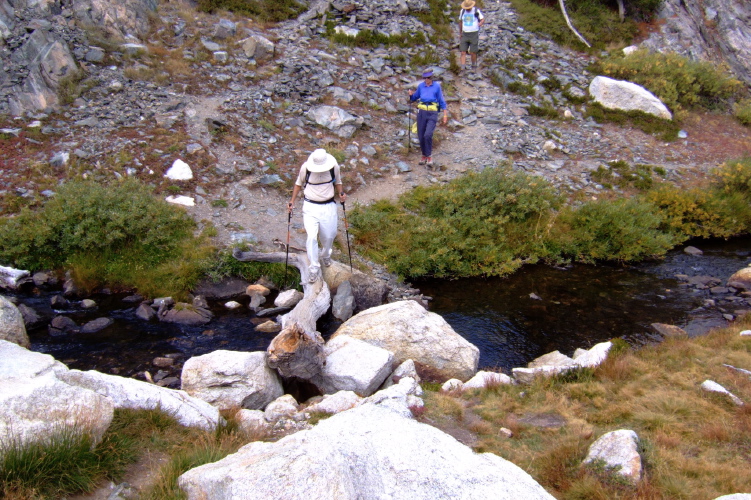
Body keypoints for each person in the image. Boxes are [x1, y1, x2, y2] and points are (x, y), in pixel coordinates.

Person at [288, 149, 346, 283]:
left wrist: (341, 193)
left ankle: (326, 255)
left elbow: (338, 181)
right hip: (310, 207)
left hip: (328, 206)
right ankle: (314, 268)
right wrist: (292, 201)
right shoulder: (306, 168)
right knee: (312, 237)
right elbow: (298, 184)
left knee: (329, 235)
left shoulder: (333, 166)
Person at [409, 69, 448, 167]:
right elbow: (414, 98)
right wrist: (411, 95)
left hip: (432, 113)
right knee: (421, 135)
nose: (427, 79)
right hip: (421, 112)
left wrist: (445, 114)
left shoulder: (436, 86)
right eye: (425, 78)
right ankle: (424, 155)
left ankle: (429, 156)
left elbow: (441, 100)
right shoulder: (421, 86)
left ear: (432, 77)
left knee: (428, 134)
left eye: (429, 77)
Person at [458, 0, 485, 71]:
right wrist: (460, 32)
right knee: (463, 51)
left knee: (473, 52)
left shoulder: (476, 10)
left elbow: (482, 19)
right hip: (465, 33)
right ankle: (463, 68)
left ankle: (473, 66)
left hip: (474, 33)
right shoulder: (462, 11)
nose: (468, 8)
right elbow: (460, 21)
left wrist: (480, 23)